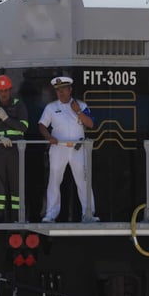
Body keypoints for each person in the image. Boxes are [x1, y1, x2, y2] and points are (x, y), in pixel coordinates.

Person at [37, 76, 98, 223]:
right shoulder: (51, 107)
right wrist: (48, 137)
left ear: (70, 89)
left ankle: (88, 213)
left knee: (83, 180)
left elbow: (90, 124)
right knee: (54, 180)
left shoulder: (81, 105)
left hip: (78, 148)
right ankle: (51, 214)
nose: (61, 92)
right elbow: (42, 125)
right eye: (58, 90)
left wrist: (77, 111)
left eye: (63, 89)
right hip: (59, 148)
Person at [0, 75, 29, 222]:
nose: (3, 93)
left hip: (16, 148)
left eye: (6, 90)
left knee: (16, 181)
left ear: (10, 90)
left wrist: (6, 119)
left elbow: (24, 126)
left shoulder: (18, 104)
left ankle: (17, 214)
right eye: (0, 90)